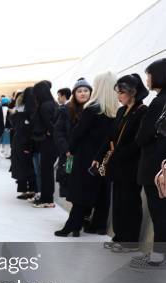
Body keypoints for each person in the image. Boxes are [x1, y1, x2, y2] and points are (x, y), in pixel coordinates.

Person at [55, 72, 119, 237]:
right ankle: (98, 225)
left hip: (86, 156)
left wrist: (72, 149)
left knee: (80, 192)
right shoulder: (115, 110)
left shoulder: (93, 109)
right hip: (105, 157)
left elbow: (78, 133)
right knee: (102, 192)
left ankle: (72, 226)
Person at [94, 74, 148, 252]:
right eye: (118, 91)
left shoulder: (142, 111)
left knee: (130, 202)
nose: (119, 95)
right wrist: (99, 155)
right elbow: (111, 136)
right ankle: (119, 236)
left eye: (122, 92)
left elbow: (139, 141)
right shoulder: (121, 111)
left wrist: (121, 153)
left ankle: (130, 242)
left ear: (133, 92)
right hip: (117, 164)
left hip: (131, 164)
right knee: (118, 201)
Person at [130, 58, 166, 269]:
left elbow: (142, 136)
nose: (147, 79)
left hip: (155, 167)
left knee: (159, 212)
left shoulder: (159, 101)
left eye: (149, 75)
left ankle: (157, 256)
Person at [54, 78, 92, 199]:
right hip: (70, 154)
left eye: (86, 90)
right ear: (74, 94)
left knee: (86, 187)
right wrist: (66, 149)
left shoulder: (94, 109)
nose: (83, 93)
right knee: (70, 186)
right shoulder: (66, 110)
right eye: (79, 91)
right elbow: (58, 132)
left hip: (88, 155)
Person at [31, 80, 59, 208]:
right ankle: (47, 198)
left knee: (46, 172)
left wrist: (49, 133)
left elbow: (51, 125)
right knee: (47, 171)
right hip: (52, 143)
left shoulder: (44, 106)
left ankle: (47, 199)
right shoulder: (53, 104)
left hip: (48, 143)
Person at [9, 87, 37, 199]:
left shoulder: (20, 110)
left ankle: (25, 190)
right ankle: (31, 189)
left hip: (20, 142)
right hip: (29, 142)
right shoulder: (34, 110)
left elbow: (16, 125)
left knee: (22, 167)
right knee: (29, 167)